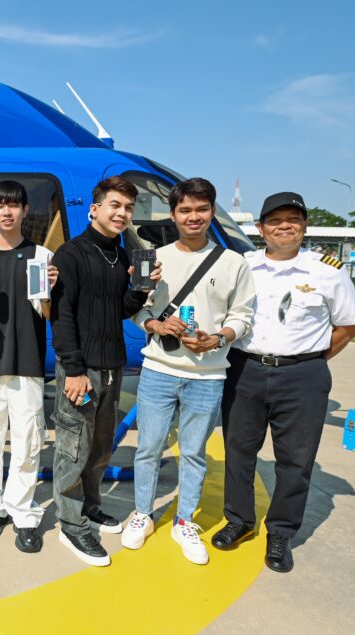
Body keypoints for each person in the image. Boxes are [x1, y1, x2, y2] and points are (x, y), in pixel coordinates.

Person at [213, 192, 355, 573]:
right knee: (238, 451)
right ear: (260, 228)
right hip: (244, 369)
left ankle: (280, 532)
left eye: (293, 219)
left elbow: (348, 325)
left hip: (303, 376)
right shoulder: (243, 266)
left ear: (304, 226)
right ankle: (239, 519)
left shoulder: (328, 271)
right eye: (275, 220)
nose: (284, 226)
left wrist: (309, 362)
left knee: (295, 459)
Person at [123, 177, 255, 565]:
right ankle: (143, 514)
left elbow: (243, 316)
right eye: (185, 210)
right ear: (173, 214)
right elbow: (136, 309)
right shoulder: (152, 259)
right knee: (148, 447)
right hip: (159, 369)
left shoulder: (233, 263)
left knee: (194, 452)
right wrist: (156, 324)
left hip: (208, 374)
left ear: (212, 212)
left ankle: (184, 521)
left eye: (201, 209)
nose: (193, 217)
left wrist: (219, 338)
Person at [49, 175, 161, 566]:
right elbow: (61, 315)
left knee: (99, 447)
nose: (122, 213)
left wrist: (141, 290)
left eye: (128, 208)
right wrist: (74, 369)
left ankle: (90, 505)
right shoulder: (70, 254)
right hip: (81, 368)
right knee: (73, 447)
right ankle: (70, 522)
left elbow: (120, 310)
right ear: (94, 209)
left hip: (112, 365)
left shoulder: (125, 256)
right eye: (115, 205)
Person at [0, 180, 58, 553]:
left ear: (24, 210)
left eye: (13, 205)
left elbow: (48, 315)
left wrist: (48, 291)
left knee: (28, 442)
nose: (7, 211)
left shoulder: (41, 256)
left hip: (28, 362)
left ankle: (23, 513)